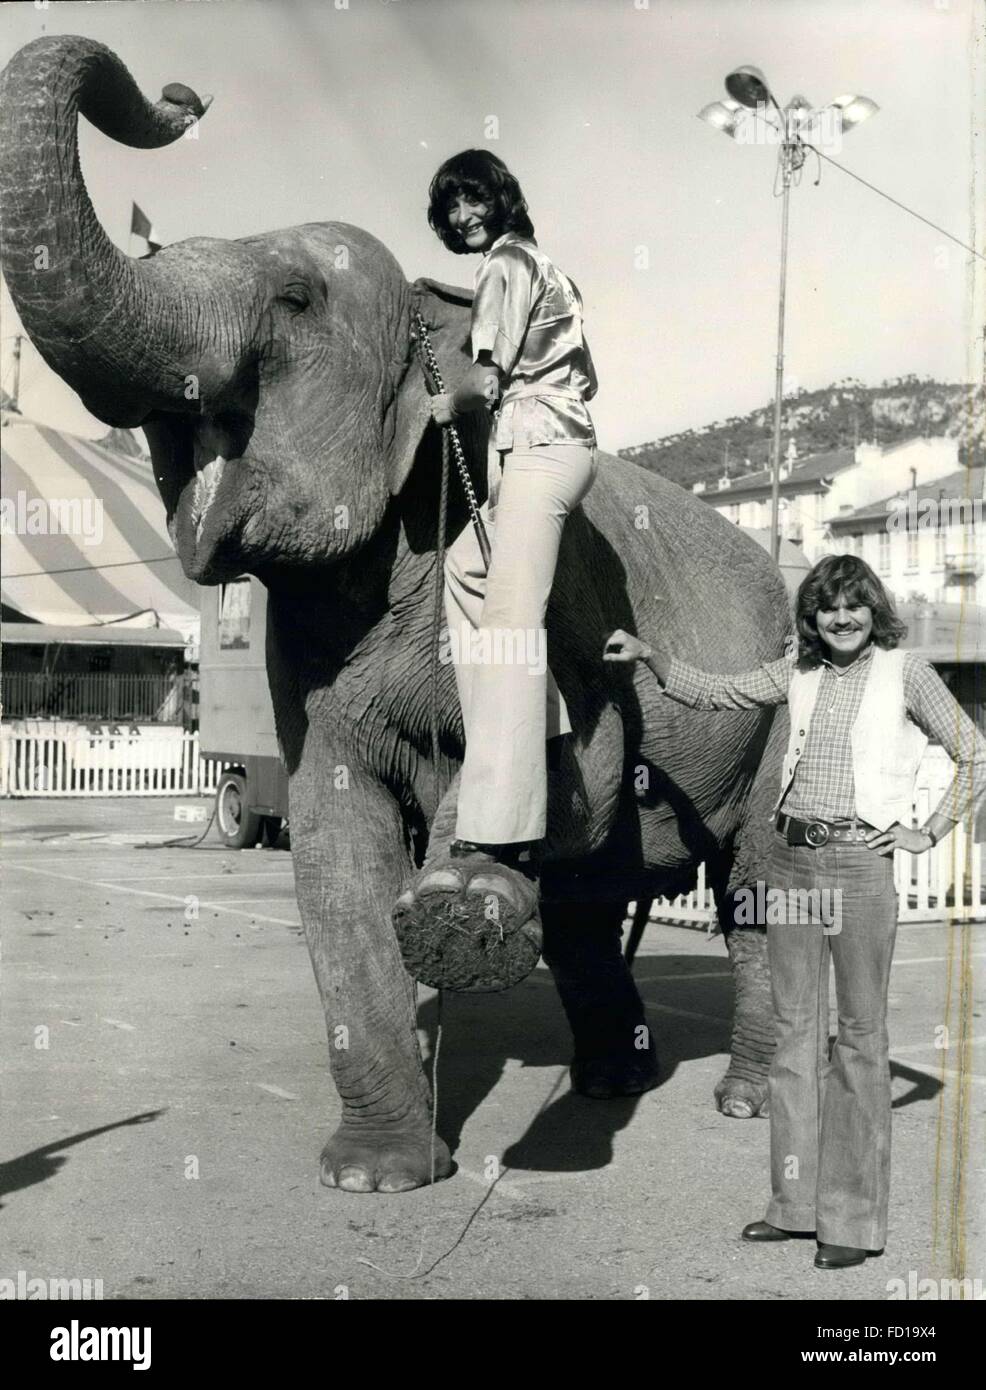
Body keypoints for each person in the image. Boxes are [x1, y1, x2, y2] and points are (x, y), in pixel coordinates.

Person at [604, 554, 986, 1269]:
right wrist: (652, 655)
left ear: (874, 609)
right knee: (793, 1036)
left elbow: (975, 753)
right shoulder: (797, 674)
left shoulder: (908, 673)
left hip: (858, 865)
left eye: (854, 605)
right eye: (826, 608)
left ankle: (852, 1219)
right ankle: (794, 1204)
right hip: (790, 862)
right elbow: (716, 693)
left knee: (860, 1038)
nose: (841, 618)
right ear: (810, 618)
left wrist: (926, 831)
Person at [424, 148, 598, 872]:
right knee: (467, 572)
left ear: (500, 199)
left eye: (473, 200)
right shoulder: (546, 265)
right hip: (553, 447)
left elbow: (488, 383)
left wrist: (445, 401)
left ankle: (503, 822)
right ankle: (539, 727)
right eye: (450, 207)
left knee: (507, 624)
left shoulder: (505, 263)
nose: (463, 216)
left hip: (539, 445)